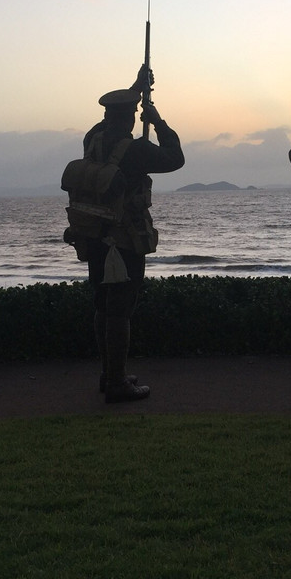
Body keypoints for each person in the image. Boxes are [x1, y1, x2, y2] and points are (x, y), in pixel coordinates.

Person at [63, 68, 184, 403]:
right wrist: (157, 119)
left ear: (105, 115)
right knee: (121, 311)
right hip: (125, 239)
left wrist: (136, 89)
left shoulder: (92, 139)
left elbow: (111, 120)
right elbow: (176, 158)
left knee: (103, 306)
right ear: (132, 117)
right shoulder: (136, 150)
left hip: (94, 236)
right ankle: (117, 383)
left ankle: (109, 373)